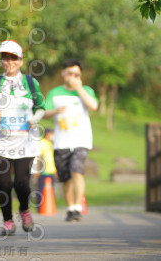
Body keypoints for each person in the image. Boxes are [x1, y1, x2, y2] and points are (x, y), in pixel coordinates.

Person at [0, 40, 45, 236]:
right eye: (5, 58)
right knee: (4, 184)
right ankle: (7, 220)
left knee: (22, 184)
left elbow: (41, 107)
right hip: (1, 143)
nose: (9, 61)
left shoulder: (31, 83)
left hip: (26, 142)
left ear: (21, 60)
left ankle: (24, 210)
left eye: (13, 57)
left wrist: (34, 119)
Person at [43, 59, 98, 221]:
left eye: (76, 74)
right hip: (61, 141)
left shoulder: (86, 90)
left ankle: (78, 207)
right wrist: (55, 111)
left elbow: (94, 106)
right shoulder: (55, 92)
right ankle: (70, 208)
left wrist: (79, 88)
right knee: (66, 177)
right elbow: (44, 112)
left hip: (81, 140)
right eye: (70, 73)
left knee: (77, 170)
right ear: (63, 74)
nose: (73, 76)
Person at [35, 128, 57, 209]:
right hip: (43, 171)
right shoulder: (41, 143)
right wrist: (37, 170)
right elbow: (38, 157)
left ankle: (48, 207)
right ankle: (39, 207)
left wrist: (55, 170)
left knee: (50, 191)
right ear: (47, 134)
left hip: (51, 171)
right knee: (41, 190)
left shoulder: (51, 143)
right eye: (51, 133)